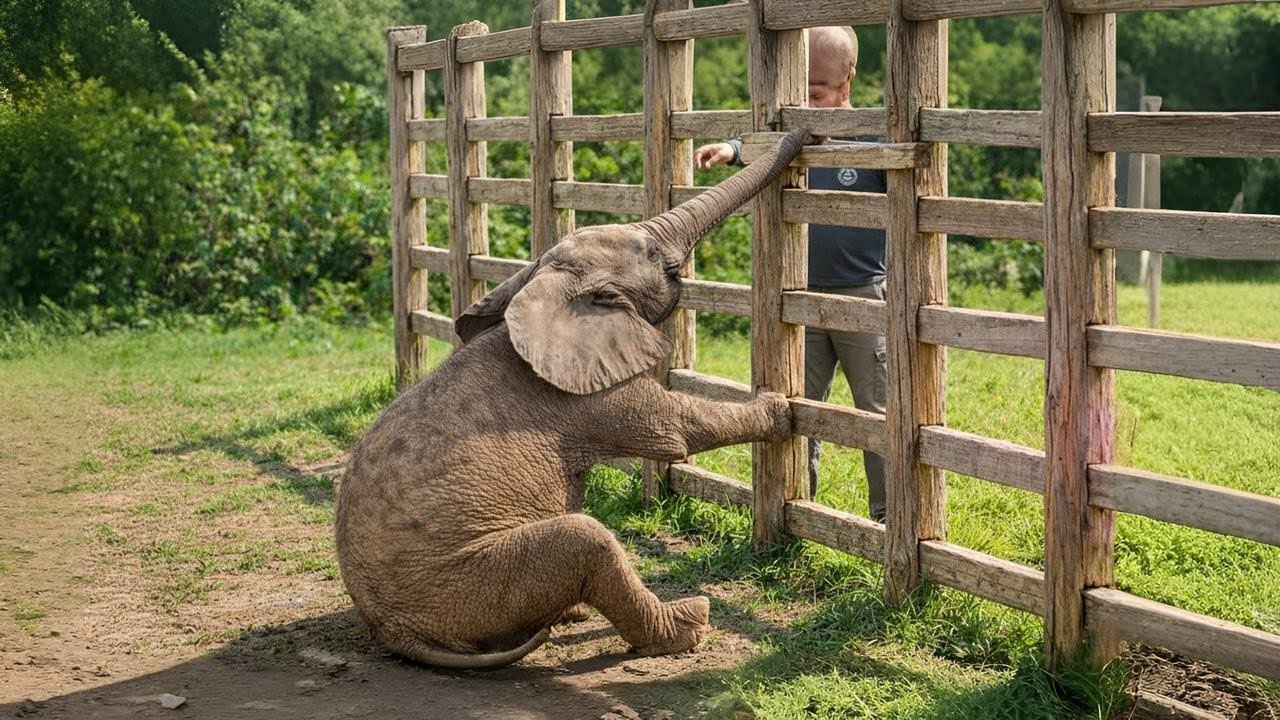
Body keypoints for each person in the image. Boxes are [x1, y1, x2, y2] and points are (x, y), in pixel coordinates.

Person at [693, 26, 887, 522]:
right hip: (800, 292)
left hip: (864, 295)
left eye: (817, 94)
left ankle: (892, 516)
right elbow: (759, 142)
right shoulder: (792, 133)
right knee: (798, 408)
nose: (805, 105)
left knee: (879, 410)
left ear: (847, 84)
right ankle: (797, 511)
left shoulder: (871, 133)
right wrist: (731, 150)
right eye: (798, 93)